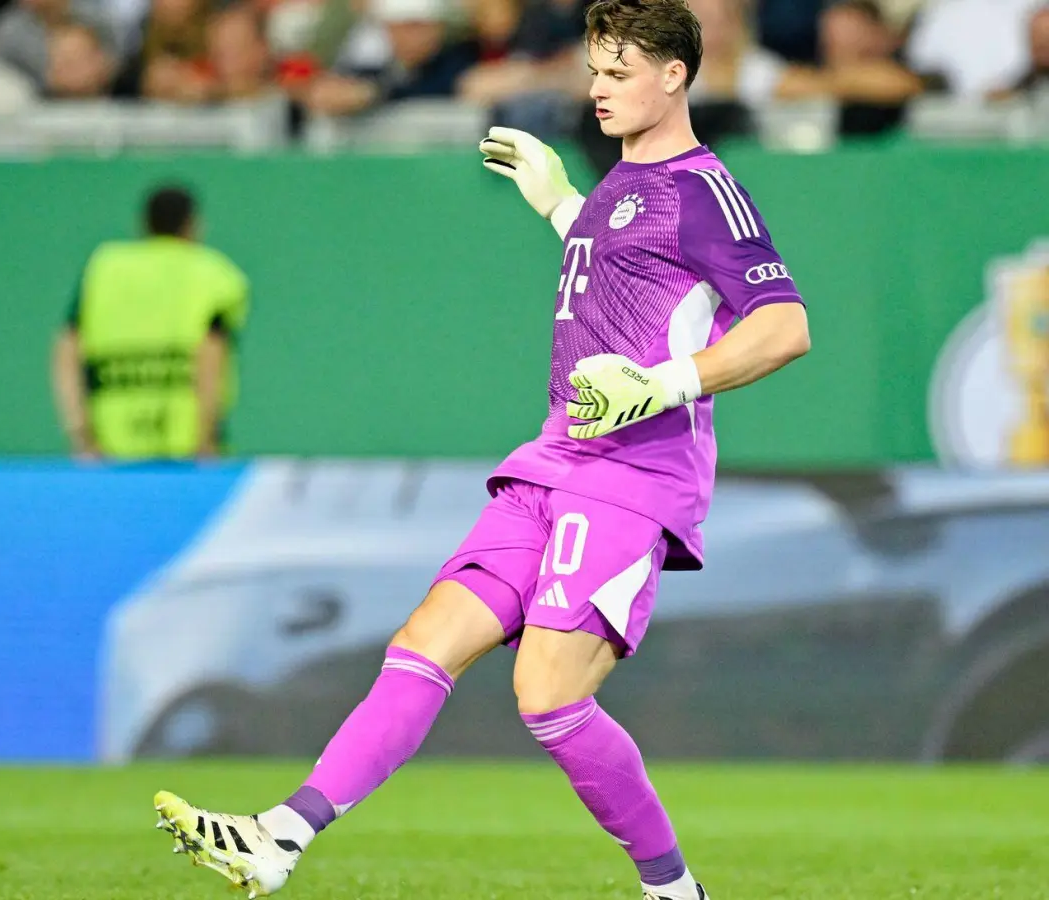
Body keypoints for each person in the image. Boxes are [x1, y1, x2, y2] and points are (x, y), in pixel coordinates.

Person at [151, 1, 811, 898]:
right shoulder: (619, 185)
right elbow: (634, 273)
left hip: (634, 477)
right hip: (555, 459)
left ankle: (674, 892)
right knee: (425, 640)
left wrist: (668, 384)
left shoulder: (705, 188)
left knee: (547, 695)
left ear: (676, 76)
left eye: (620, 72)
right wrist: (565, 208)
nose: (598, 88)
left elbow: (784, 327)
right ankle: (280, 837)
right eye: (594, 69)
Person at [51, 186, 250, 462]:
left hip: (110, 451)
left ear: (143, 224)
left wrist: (81, 434)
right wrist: (205, 441)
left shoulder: (104, 268)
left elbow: (67, 349)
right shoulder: (215, 273)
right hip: (186, 452)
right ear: (193, 224)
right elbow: (211, 354)